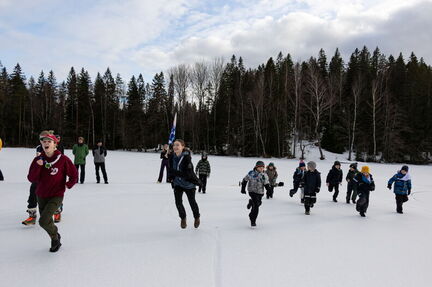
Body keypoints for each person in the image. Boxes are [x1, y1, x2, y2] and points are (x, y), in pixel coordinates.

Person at [27, 133, 78, 252]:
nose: (46, 143)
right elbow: (31, 178)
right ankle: (55, 237)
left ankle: (55, 237)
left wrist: (68, 184)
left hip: (56, 194)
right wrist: (38, 166)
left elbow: (74, 175)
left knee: (43, 221)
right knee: (47, 221)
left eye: (49, 141)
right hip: (41, 194)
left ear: (55, 144)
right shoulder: (38, 160)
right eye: (44, 141)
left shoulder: (63, 159)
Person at [167, 139, 202, 229]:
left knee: (192, 202)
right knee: (178, 202)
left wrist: (174, 172)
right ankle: (183, 218)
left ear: (183, 147)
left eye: (178, 145)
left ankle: (196, 217)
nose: (175, 147)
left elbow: (187, 174)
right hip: (177, 183)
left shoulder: (187, 158)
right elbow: (170, 168)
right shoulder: (171, 156)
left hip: (188, 184)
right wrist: (170, 177)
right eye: (174, 145)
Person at [22, 131, 49, 225]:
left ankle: (56, 211)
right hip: (39, 176)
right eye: (41, 139)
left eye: (45, 138)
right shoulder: (39, 148)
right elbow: (38, 160)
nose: (43, 141)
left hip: (50, 175)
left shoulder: (53, 146)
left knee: (52, 194)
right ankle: (32, 216)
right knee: (33, 193)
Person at [241, 161, 271, 227]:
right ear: (256, 167)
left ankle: (251, 202)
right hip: (252, 191)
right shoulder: (251, 173)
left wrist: (268, 190)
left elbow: (266, 183)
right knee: (256, 206)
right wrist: (243, 189)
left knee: (258, 203)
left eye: (262, 167)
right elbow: (245, 180)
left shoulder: (264, 175)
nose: (261, 169)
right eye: (259, 167)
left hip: (260, 192)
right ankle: (253, 220)